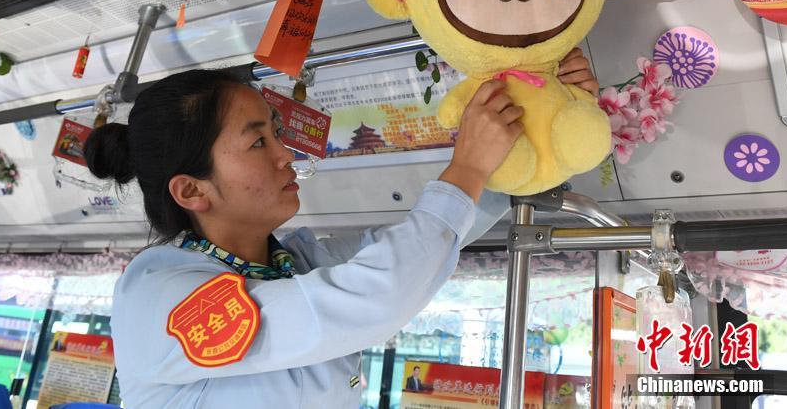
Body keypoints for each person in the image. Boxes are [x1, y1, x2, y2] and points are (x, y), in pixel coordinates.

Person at [84, 48, 598, 408]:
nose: (287, 154)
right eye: (259, 142)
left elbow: (429, 238)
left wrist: (543, 127)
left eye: (277, 133)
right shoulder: (163, 298)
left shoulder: (293, 262)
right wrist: (465, 167)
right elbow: (373, 295)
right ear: (193, 191)